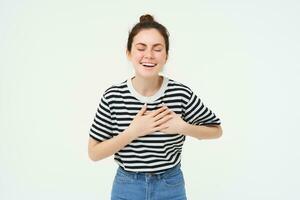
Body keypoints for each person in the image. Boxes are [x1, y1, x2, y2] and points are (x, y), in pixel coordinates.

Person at [88, 14, 222, 200]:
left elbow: (216, 130)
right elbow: (94, 153)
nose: (149, 55)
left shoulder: (180, 93)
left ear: (166, 55)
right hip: (127, 186)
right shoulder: (113, 96)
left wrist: (183, 127)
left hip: (170, 185)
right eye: (141, 48)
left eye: (157, 49)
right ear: (128, 53)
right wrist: (132, 132)